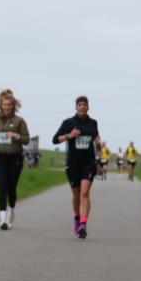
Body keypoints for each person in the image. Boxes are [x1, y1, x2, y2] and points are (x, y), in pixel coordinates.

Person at [52, 96, 101, 239]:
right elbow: (55, 139)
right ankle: (77, 218)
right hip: (73, 164)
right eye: (79, 105)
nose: (82, 107)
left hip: (89, 163)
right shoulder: (68, 123)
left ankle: (83, 224)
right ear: (76, 107)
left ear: (88, 107)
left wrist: (99, 144)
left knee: (84, 193)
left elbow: (96, 137)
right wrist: (69, 135)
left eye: (84, 104)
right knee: (76, 195)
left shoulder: (93, 123)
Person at [0, 89, 30, 231]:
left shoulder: (19, 121)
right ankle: (3, 219)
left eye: (9, 104)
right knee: (2, 186)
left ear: (13, 106)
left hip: (15, 158)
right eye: (4, 104)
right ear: (1, 105)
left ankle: (11, 211)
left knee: (11, 188)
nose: (7, 107)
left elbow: (26, 140)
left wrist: (15, 135)